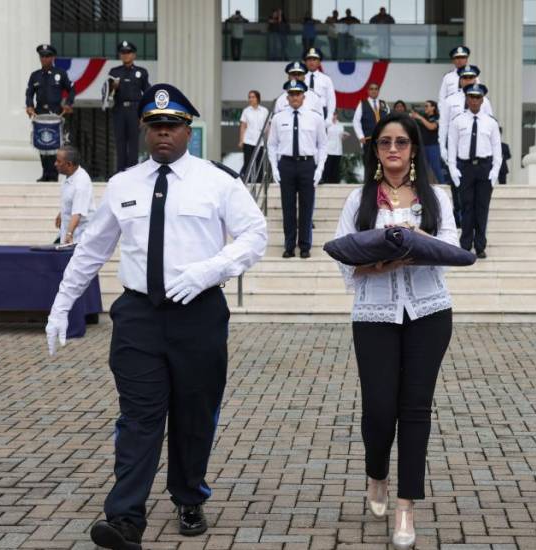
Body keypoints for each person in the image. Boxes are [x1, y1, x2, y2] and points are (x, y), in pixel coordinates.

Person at [44, 83, 268, 550]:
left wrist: (210, 270)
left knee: (194, 414)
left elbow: (254, 235)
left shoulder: (218, 181)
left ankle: (188, 496)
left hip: (199, 312)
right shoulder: (124, 184)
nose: (163, 134)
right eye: (155, 127)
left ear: (189, 130)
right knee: (139, 416)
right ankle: (125, 518)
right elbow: (92, 249)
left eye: (173, 126)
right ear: (145, 132)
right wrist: (61, 305)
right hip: (139, 315)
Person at [333, 112, 457, 550]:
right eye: (385, 142)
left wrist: (418, 239)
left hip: (429, 312)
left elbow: (454, 248)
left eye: (401, 142)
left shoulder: (436, 197)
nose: (392, 150)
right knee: (380, 409)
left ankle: (406, 506)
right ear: (375, 149)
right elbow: (345, 261)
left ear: (413, 150)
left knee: (416, 409)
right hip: (375, 315)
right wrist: (379, 262)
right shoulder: (359, 199)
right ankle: (376, 472)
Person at [267, 79, 327, 259]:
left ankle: (305, 246)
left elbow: (323, 145)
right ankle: (289, 246)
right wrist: (274, 169)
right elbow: (271, 145)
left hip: (307, 164)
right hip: (286, 165)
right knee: (288, 208)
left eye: (298, 94)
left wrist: (319, 170)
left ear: (303, 96)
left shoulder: (315, 117)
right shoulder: (278, 118)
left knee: (307, 207)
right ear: (287, 96)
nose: (295, 97)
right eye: (291, 94)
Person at [447, 83, 501, 259]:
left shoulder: (491, 123)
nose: (474, 100)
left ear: (482, 99)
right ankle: (465, 244)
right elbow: (452, 146)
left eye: (478, 97)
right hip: (465, 167)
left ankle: (480, 245)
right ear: (467, 98)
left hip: (485, 167)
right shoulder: (458, 120)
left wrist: (494, 172)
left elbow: (497, 149)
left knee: (482, 208)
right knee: (466, 206)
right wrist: (453, 169)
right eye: (471, 96)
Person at [26, 44, 75, 182]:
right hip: (40, 114)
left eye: (47, 56)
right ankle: (45, 173)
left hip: (56, 114)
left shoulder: (60, 74)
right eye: (42, 56)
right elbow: (29, 93)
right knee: (42, 143)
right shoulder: (35, 76)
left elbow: (71, 89)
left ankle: (53, 174)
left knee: (54, 145)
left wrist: (68, 104)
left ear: (53, 57)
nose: (44, 59)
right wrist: (29, 106)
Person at [108, 41, 151, 174]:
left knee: (133, 143)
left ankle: (133, 173)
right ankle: (120, 173)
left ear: (134, 55)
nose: (126, 55)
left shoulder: (141, 72)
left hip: (135, 110)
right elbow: (107, 94)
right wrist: (112, 87)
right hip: (119, 110)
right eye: (123, 53)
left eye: (128, 53)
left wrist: (145, 114)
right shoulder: (114, 72)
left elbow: (147, 93)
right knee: (120, 142)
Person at [438, 64, 494, 165]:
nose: (468, 80)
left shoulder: (485, 101)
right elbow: (444, 125)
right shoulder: (450, 100)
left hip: (479, 149)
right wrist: (442, 147)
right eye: (464, 77)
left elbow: (491, 126)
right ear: (460, 80)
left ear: (475, 79)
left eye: (471, 77)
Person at [54, 145, 94, 244]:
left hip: (79, 237)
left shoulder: (81, 183)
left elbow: (77, 213)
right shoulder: (69, 176)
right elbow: (70, 200)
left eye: (59, 161)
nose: (55, 164)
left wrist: (69, 234)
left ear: (69, 164)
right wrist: (61, 213)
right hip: (69, 232)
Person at [353, 82, 391, 175]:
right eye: (371, 89)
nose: (374, 91)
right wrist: (360, 136)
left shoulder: (384, 104)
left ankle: (383, 184)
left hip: (383, 139)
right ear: (368, 91)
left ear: (378, 91)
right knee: (369, 163)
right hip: (368, 139)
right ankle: (369, 186)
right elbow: (356, 121)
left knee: (383, 162)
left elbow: (390, 120)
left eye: (376, 89)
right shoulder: (362, 104)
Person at [238, 90, 269, 182]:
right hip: (248, 140)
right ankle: (248, 180)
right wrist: (241, 140)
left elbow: (267, 127)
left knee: (259, 162)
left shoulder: (264, 111)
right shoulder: (246, 111)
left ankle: (259, 182)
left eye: (253, 97)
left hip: (260, 142)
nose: (250, 99)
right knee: (248, 162)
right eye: (249, 97)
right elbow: (243, 126)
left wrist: (269, 140)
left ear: (258, 98)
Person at [410, 100, 441, 182]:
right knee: (421, 169)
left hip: (433, 146)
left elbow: (431, 127)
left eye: (427, 106)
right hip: (422, 146)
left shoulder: (437, 117)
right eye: (425, 106)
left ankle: (444, 186)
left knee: (436, 168)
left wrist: (420, 117)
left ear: (433, 107)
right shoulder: (424, 117)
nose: (425, 108)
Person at [304, 47, 336, 124]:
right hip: (304, 112)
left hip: (321, 112)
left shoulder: (326, 79)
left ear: (319, 62)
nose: (311, 62)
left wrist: (329, 116)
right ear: (305, 62)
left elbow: (331, 99)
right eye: (309, 59)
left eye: (314, 59)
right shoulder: (301, 78)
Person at [323, 110, 348, 183]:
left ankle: (334, 182)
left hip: (338, 149)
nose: (334, 116)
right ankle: (326, 181)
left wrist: (345, 136)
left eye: (335, 114)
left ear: (337, 115)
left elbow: (341, 138)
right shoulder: (326, 124)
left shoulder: (340, 125)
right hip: (328, 149)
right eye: (333, 114)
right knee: (327, 167)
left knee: (336, 168)